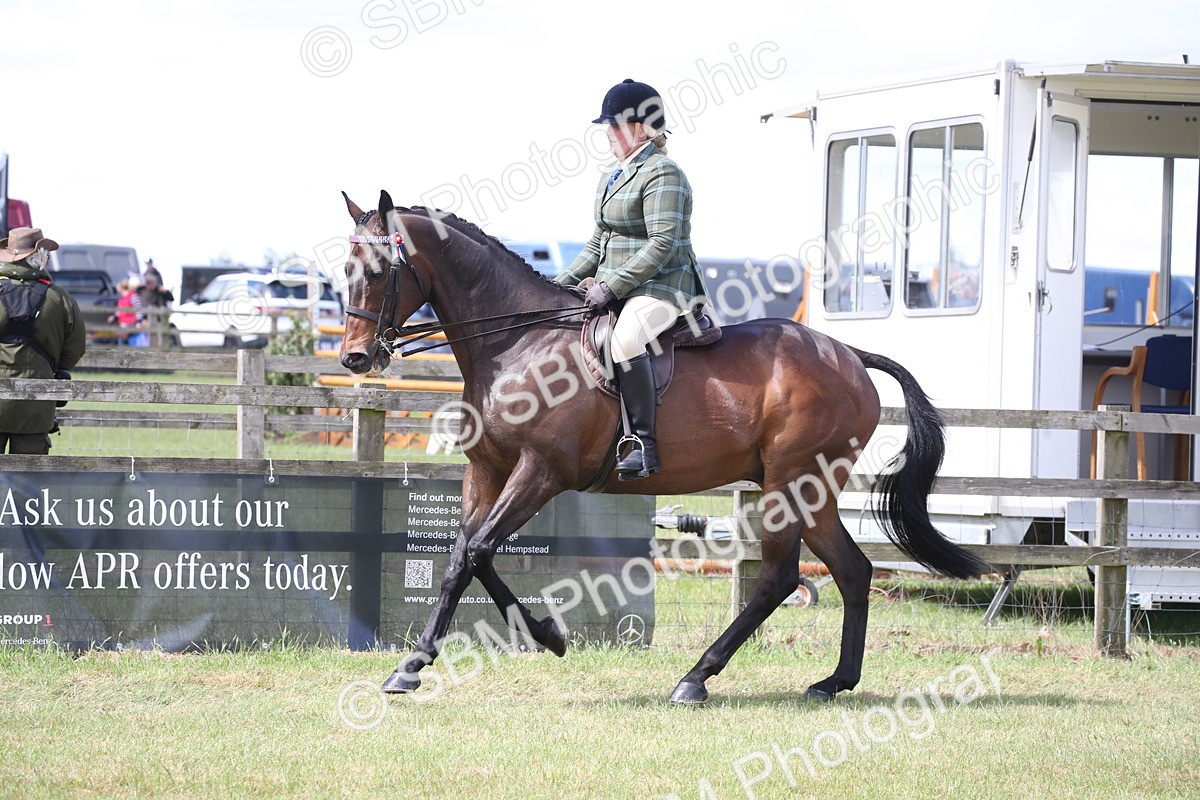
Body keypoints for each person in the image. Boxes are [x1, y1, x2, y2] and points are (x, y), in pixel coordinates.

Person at [555, 78, 707, 480]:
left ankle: (642, 443)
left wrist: (611, 286)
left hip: (664, 287)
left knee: (625, 339)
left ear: (642, 128)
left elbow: (662, 243)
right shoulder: (612, 175)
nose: (607, 134)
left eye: (615, 125)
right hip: (620, 287)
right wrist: (554, 285)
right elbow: (596, 244)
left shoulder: (664, 173)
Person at [0, 227, 87, 454]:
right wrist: (53, 368)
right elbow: (75, 349)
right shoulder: (60, 298)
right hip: (37, 401)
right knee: (29, 481)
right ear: (38, 257)